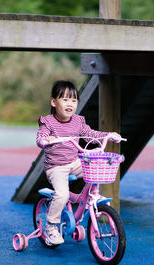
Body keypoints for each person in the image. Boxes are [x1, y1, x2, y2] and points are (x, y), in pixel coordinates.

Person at [36, 80, 121, 245]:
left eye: (73, 100)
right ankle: (51, 225)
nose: (70, 104)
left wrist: (108, 134)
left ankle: (88, 198)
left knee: (95, 169)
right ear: (54, 102)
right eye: (65, 99)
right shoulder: (48, 122)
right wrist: (46, 140)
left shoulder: (78, 121)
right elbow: (40, 138)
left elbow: (90, 133)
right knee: (62, 194)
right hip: (56, 166)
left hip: (75, 162)